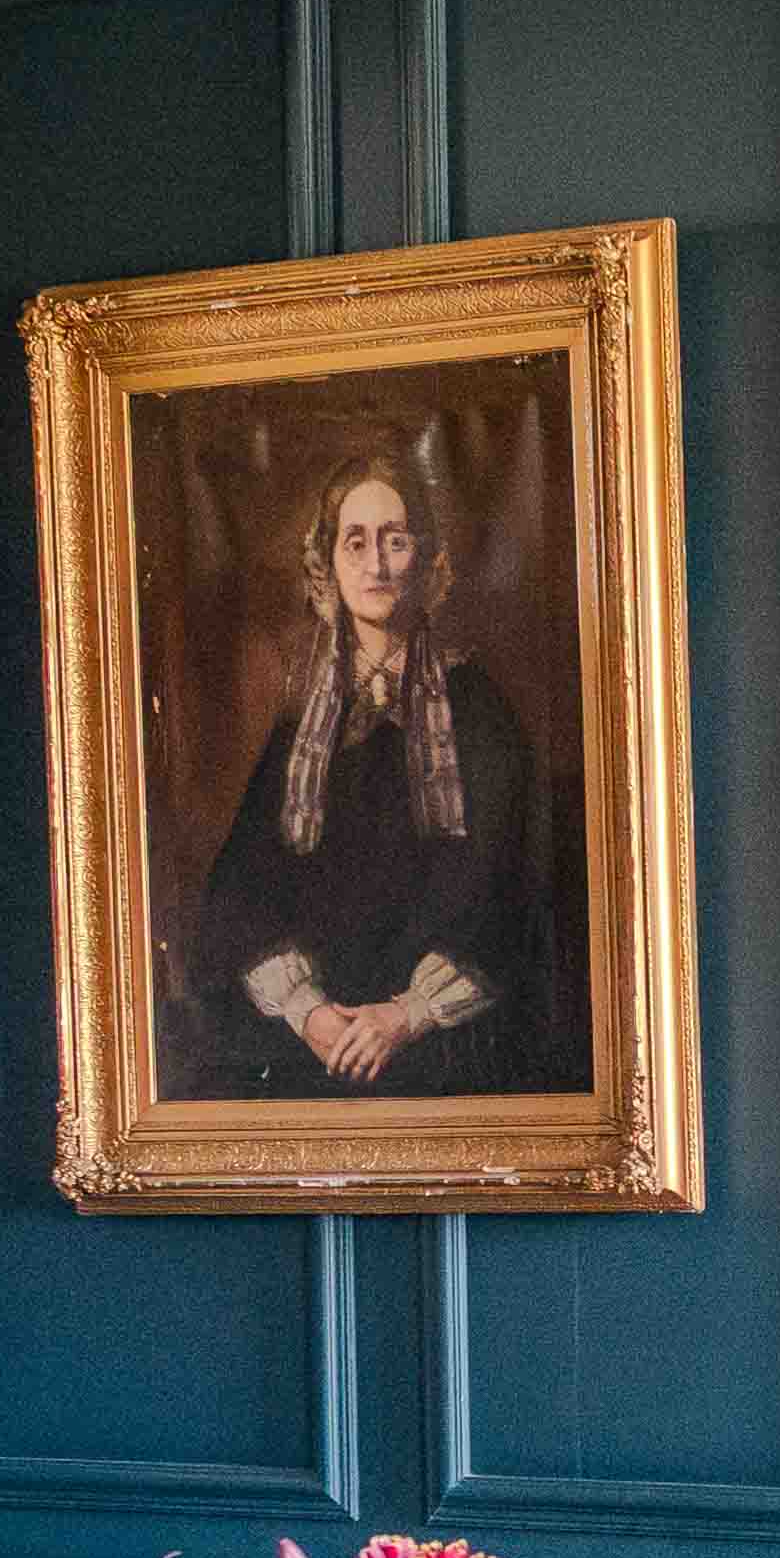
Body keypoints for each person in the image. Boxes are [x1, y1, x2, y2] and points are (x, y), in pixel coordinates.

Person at [169, 444, 584, 1101]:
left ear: (426, 559)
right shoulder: (301, 728)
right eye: (355, 542)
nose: (376, 564)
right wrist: (308, 1013)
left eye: (395, 540)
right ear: (328, 563)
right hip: (312, 1054)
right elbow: (238, 899)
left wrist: (409, 1014)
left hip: (448, 1057)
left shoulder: (478, 710)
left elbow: (513, 895)